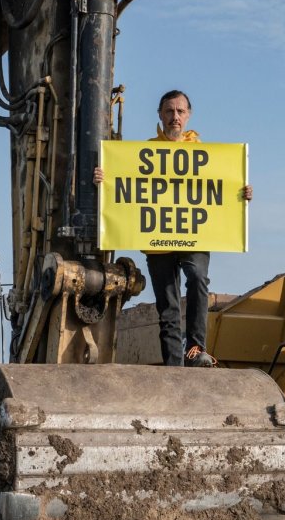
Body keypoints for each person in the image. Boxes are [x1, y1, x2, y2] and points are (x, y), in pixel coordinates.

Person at [95, 90, 252, 366]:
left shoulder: (205, 154)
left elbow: (223, 188)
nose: (174, 117)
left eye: (180, 111)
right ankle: (173, 366)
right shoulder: (146, 151)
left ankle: (195, 350)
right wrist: (104, 179)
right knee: (167, 305)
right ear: (160, 115)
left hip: (194, 235)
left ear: (188, 115)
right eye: (169, 111)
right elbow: (124, 184)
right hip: (158, 238)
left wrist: (242, 192)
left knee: (197, 278)